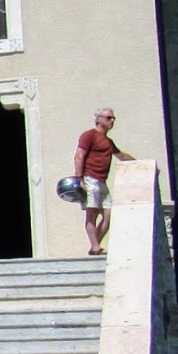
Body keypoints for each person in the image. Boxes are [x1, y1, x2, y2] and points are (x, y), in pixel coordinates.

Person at [74, 107, 133, 255]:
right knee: (92, 213)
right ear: (98, 119)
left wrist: (140, 163)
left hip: (101, 181)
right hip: (89, 179)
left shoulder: (108, 141)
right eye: (108, 118)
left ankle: (95, 246)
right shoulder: (89, 135)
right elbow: (79, 156)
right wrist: (79, 178)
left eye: (113, 118)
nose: (112, 120)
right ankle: (95, 246)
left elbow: (121, 156)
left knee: (109, 214)